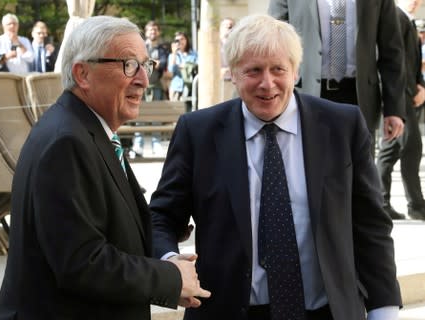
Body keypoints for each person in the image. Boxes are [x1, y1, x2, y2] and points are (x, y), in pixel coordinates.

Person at [150, 14, 401, 320]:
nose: (267, 84)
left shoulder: (342, 126)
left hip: (327, 312)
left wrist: (383, 310)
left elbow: (371, 226)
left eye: (278, 69)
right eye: (253, 70)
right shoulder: (198, 132)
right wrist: (171, 261)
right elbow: (161, 216)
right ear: (234, 74)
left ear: (295, 71)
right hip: (228, 311)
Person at [0, 15, 210, 320]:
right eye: (128, 65)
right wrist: (169, 278)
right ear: (83, 74)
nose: (144, 80)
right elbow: (83, 262)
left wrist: (167, 266)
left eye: (145, 65)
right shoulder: (66, 143)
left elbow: (109, 233)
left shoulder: (88, 130)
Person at [268, 0, 406, 155]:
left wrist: (394, 109)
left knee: (359, 175)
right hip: (307, 97)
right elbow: (274, 45)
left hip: (359, 99)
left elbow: (392, 52)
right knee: (311, 171)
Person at [376, 0, 425, 221]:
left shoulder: (408, 19)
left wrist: (420, 85)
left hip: (407, 92)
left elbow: (411, 61)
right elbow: (394, 59)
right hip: (400, 95)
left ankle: (382, 202)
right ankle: (416, 204)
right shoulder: (395, 15)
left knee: (390, 151)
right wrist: (409, 90)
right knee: (412, 147)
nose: (416, 1)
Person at [130, 20, 169, 158]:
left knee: (156, 117)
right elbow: (138, 62)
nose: (153, 32)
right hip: (141, 86)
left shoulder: (163, 48)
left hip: (156, 87)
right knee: (139, 116)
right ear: (146, 32)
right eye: (150, 30)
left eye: (155, 30)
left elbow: (163, 63)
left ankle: (156, 145)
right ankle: (138, 146)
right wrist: (153, 62)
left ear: (158, 32)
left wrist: (150, 62)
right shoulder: (140, 46)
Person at [167, 31, 198, 102]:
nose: (180, 42)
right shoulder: (172, 56)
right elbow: (171, 70)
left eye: (182, 39)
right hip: (177, 88)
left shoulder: (194, 54)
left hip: (191, 88)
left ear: (186, 40)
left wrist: (183, 66)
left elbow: (197, 67)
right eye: (177, 40)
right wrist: (174, 53)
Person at [219, 17, 236, 101]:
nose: (230, 29)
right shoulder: (214, 45)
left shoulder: (237, 44)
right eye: (228, 27)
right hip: (219, 82)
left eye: (232, 26)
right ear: (221, 28)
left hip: (233, 81)